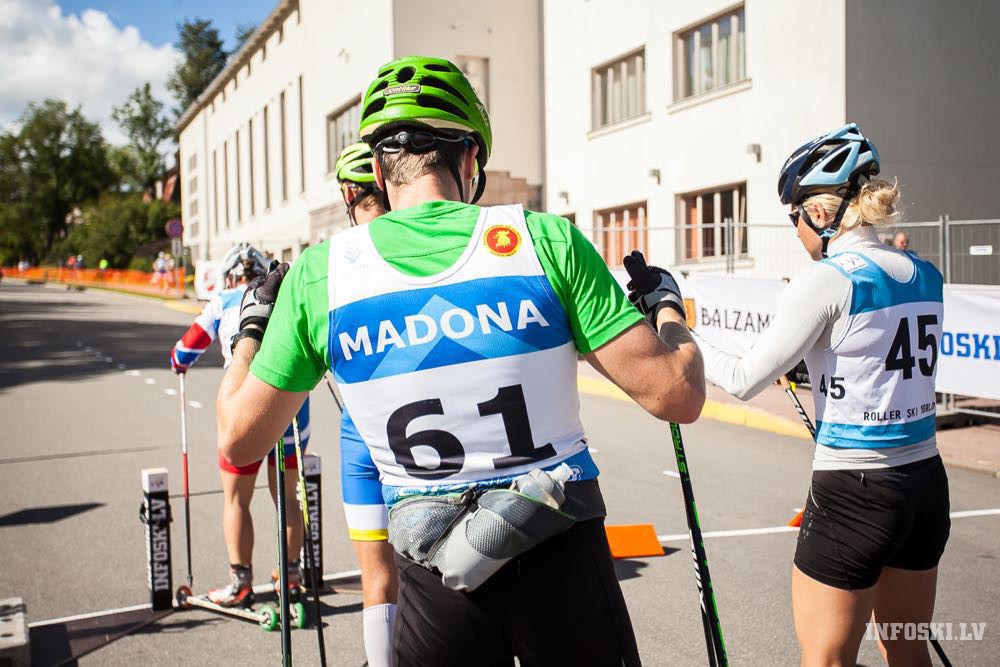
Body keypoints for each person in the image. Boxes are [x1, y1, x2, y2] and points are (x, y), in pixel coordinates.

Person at [215, 55, 704, 665]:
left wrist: (251, 329)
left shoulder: (321, 275)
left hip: (436, 576)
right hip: (563, 565)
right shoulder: (544, 239)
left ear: (377, 169)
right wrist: (667, 310)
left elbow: (239, 440)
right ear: (469, 159)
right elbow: (677, 394)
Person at [676, 124, 948, 666]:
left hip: (855, 489)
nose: (796, 230)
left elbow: (744, 378)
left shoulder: (827, 278)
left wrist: (678, 331)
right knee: (907, 650)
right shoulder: (925, 273)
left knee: (825, 658)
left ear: (821, 214)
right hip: (925, 481)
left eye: (794, 217)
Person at [170, 242, 311, 607]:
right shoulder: (284, 295)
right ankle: (290, 579)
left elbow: (183, 352)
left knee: (236, 499)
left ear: (229, 276)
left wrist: (179, 363)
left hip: (244, 402)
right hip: (291, 402)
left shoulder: (223, 300)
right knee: (288, 497)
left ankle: (241, 582)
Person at [333, 141, 399, 666]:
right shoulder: (419, 251)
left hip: (361, 433)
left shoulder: (332, 265)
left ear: (350, 194)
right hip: (431, 434)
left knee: (376, 576)